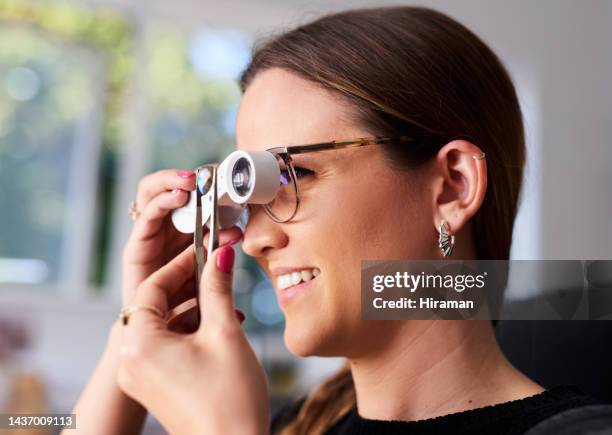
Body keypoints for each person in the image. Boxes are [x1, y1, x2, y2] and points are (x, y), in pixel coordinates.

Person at [66, 6, 612, 435]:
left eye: (295, 175)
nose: (255, 239)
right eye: (250, 192)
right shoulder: (300, 425)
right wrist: (137, 325)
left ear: (453, 186)